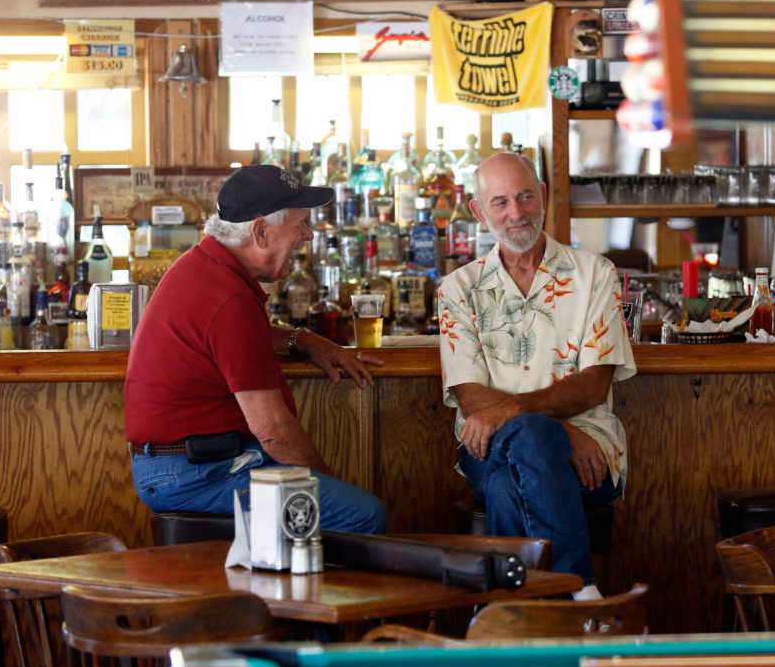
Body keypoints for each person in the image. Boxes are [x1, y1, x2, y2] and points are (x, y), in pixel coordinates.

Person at [125, 164, 388, 534]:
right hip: (194, 474)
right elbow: (273, 430)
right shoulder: (227, 296)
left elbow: (237, 337)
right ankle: (300, 593)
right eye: (300, 224)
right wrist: (327, 485)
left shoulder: (207, 268)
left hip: (193, 462)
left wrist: (305, 340)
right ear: (261, 232)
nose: (308, 235)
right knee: (361, 514)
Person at [437, 153, 635, 598]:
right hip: (494, 446)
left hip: (591, 454)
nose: (516, 212)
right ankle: (580, 591)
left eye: (526, 196)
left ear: (542, 196)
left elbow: (593, 384)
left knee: (508, 487)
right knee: (531, 441)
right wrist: (555, 430)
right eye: (501, 202)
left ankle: (505, 611)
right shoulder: (459, 289)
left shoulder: (595, 274)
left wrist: (530, 423)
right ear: (479, 211)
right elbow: (471, 398)